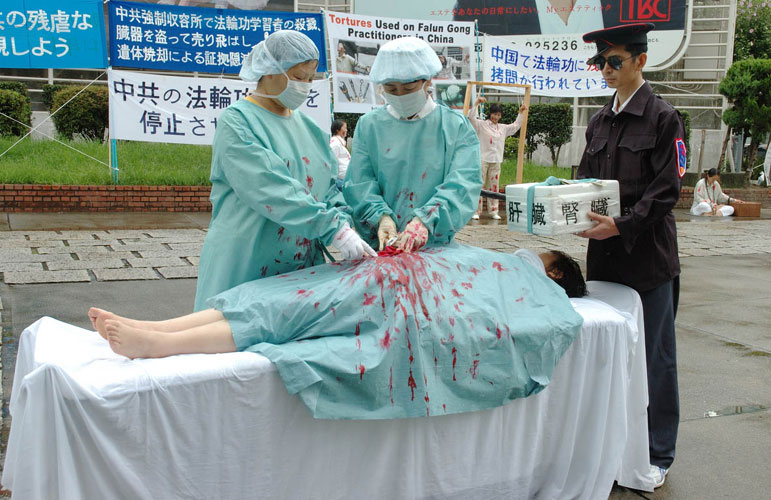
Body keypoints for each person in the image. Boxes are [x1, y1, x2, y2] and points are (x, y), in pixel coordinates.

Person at [194, 30, 375, 311]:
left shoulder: (310, 129)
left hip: (298, 266)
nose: (304, 86)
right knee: (232, 328)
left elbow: (328, 190)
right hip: (247, 258)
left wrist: (346, 224)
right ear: (268, 70)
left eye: (310, 79)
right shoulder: (238, 122)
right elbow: (270, 188)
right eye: (298, 77)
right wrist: (332, 228)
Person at [577, 23, 685, 489]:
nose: (605, 69)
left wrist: (621, 224)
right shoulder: (599, 121)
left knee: (655, 359)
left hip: (648, 260)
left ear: (641, 60)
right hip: (604, 260)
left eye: (614, 61)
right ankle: (616, 449)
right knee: (609, 356)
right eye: (600, 62)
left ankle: (657, 454)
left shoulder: (664, 119)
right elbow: (584, 182)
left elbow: (668, 189)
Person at [344, 37, 482, 252]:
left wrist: (426, 220)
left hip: (434, 245)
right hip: (384, 244)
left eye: (409, 88)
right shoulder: (369, 126)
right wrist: (381, 217)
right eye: (391, 89)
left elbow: (463, 183)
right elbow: (360, 183)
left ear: (428, 81)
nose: (400, 95)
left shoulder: (454, 126)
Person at [466, 97, 527, 220]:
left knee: (494, 186)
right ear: (490, 114)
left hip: (496, 160)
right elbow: (471, 118)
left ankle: (493, 211)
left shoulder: (503, 128)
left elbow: (515, 126)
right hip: (483, 159)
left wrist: (520, 113)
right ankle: (476, 211)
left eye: (498, 115)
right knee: (479, 185)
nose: (496, 117)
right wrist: (476, 103)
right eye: (494, 114)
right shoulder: (481, 125)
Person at [329, 119, 351, 189]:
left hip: (344, 179)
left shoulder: (339, 143)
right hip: (340, 181)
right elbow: (332, 161)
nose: (346, 130)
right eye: (344, 128)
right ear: (337, 130)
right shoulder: (335, 144)